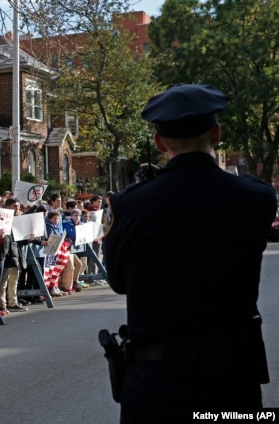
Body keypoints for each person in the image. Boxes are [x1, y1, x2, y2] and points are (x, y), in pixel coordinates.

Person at [103, 84, 277, 422]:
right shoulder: (258, 198)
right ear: (216, 134)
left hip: (156, 378)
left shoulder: (128, 204)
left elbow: (119, 281)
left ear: (159, 142)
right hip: (231, 373)